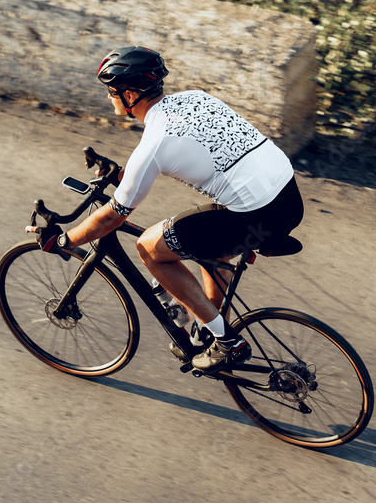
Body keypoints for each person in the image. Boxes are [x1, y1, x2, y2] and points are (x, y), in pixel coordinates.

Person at [27, 46, 304, 373]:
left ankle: (227, 341)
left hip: (254, 213)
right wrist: (121, 174)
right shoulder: (197, 98)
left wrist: (63, 241)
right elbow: (196, 153)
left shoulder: (154, 143)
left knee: (149, 246)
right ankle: (211, 328)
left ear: (129, 94)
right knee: (212, 247)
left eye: (111, 92)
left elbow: (114, 217)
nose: (109, 98)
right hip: (287, 199)